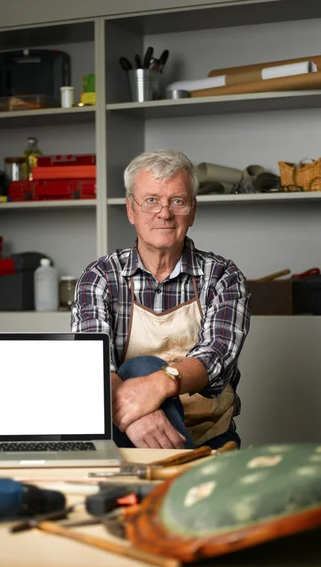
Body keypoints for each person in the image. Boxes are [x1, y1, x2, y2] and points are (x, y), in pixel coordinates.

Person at [71, 149, 251, 450]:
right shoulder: (100, 277)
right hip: (126, 437)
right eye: (151, 200)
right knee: (139, 367)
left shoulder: (223, 276)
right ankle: (174, 465)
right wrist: (138, 417)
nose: (164, 213)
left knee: (144, 369)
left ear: (192, 211)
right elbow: (95, 365)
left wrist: (159, 384)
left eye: (177, 201)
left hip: (211, 437)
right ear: (131, 209)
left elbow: (217, 356)